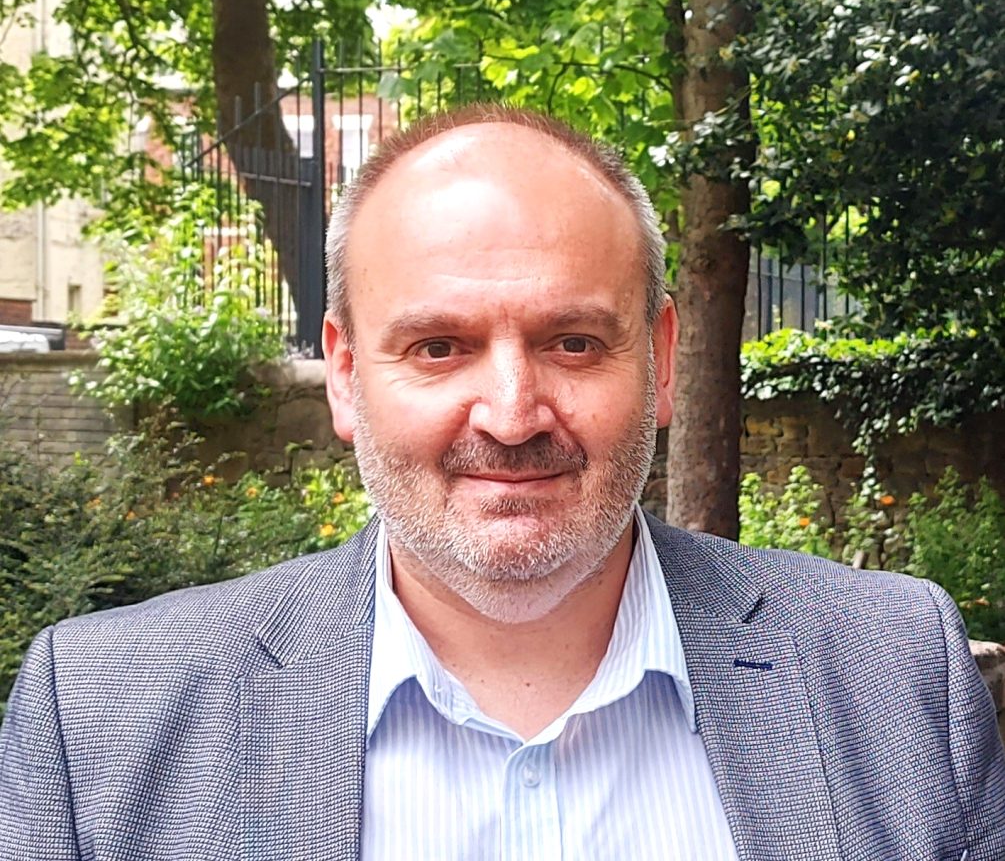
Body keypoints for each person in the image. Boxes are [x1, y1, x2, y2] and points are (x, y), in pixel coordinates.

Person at [1, 105, 1003, 861]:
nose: (513, 415)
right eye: (439, 347)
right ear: (344, 375)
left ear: (659, 359)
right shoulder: (98, 721)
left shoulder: (894, 676)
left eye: (573, 342)